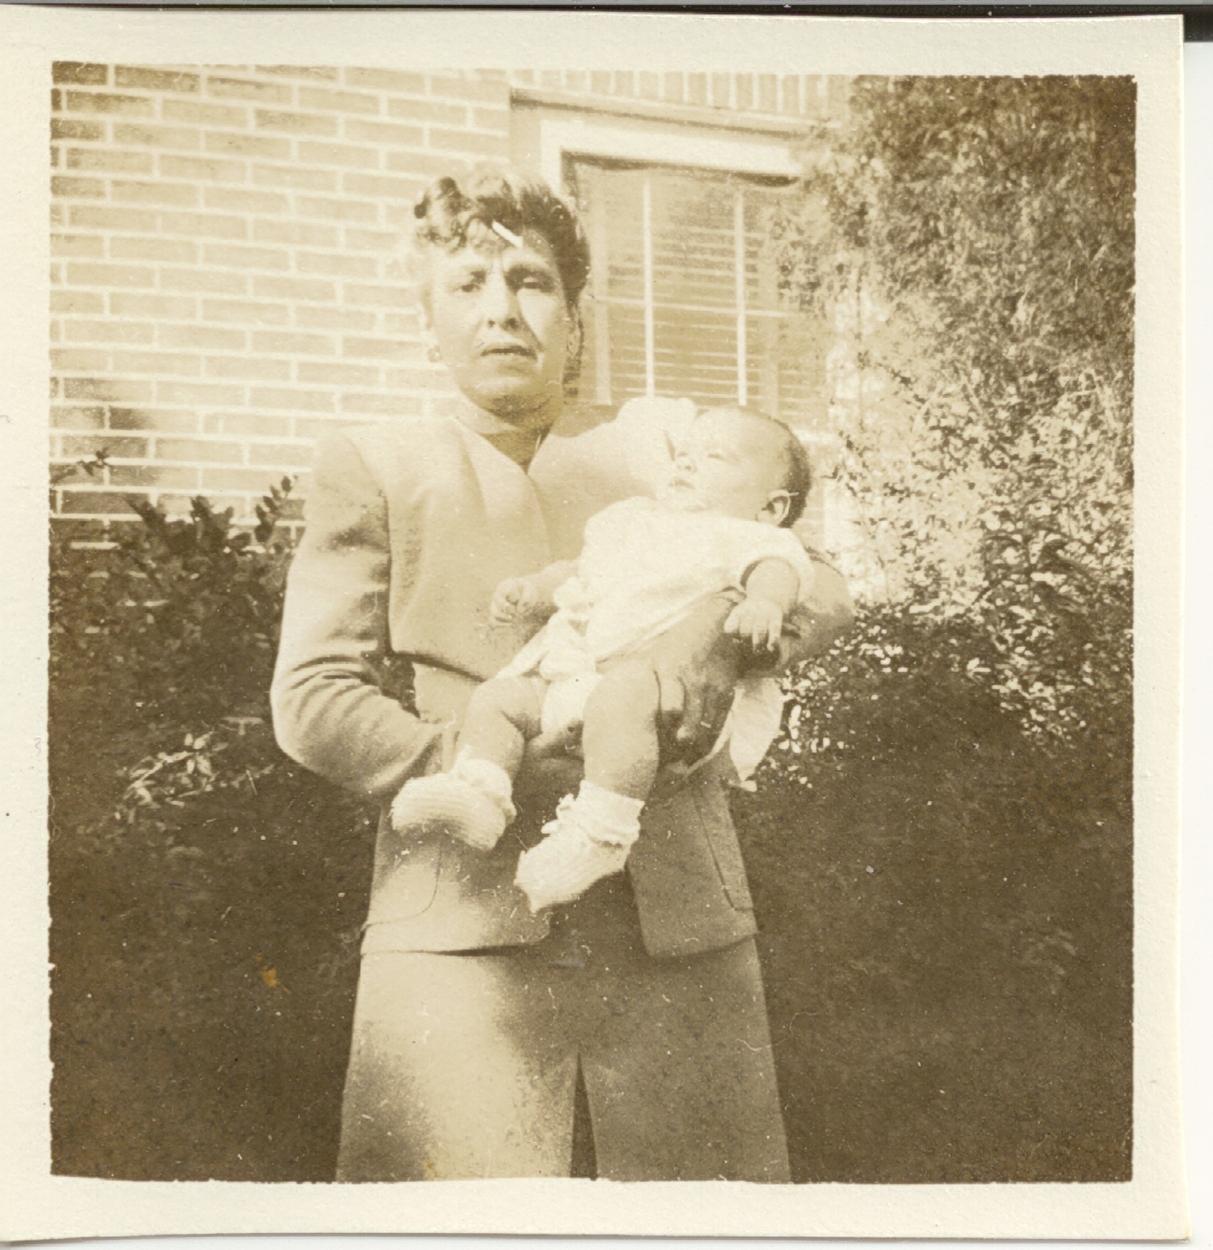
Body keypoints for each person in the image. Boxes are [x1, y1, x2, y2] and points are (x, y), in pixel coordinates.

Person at [270, 167, 853, 1182]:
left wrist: (719, 648)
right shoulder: (377, 461)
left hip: (677, 914)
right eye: (467, 285)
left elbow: (825, 584)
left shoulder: (662, 450)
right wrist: (495, 759)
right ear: (428, 325)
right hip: (460, 922)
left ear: (576, 319)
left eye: (531, 280)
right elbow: (313, 698)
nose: (501, 309)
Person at [391, 404, 819, 913]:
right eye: (682, 454)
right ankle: (480, 791)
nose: (686, 464)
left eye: (715, 457)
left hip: (656, 691)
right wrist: (536, 589)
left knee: (623, 697)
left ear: (770, 507)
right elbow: (581, 571)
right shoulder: (632, 520)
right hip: (573, 675)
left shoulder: (748, 535)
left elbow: (777, 569)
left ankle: (600, 833)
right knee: (500, 700)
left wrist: (763, 602)